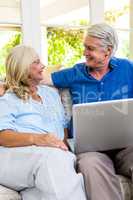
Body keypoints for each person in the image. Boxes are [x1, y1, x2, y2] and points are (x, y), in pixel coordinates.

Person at [40, 23, 133, 200]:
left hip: (127, 146)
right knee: (90, 165)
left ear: (107, 51)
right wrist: (8, 84)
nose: (84, 53)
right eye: (85, 47)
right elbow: (40, 79)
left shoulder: (128, 69)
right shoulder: (76, 72)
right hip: (91, 151)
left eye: (90, 48)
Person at [0, 45, 87, 200]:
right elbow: (3, 136)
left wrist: (66, 147)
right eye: (37, 62)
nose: (43, 66)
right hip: (13, 158)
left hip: (50, 161)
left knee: (43, 187)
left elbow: (62, 130)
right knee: (53, 158)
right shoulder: (8, 98)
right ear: (24, 67)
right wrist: (39, 139)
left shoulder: (51, 94)